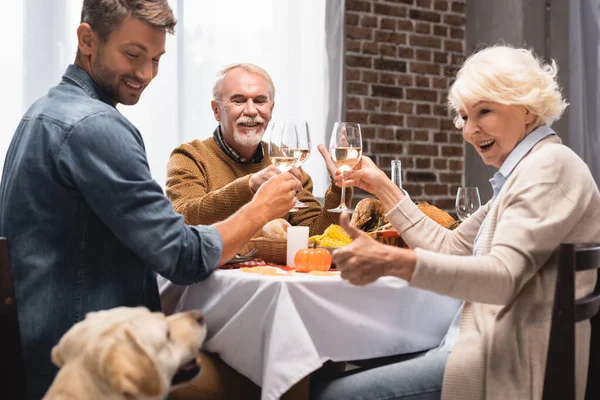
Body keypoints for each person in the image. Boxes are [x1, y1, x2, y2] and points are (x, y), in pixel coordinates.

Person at [0, 1, 300, 398]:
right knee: (287, 374)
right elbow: (184, 256)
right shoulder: (99, 126)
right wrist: (261, 207)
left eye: (156, 59)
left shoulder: (43, 113)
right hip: (89, 367)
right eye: (133, 54)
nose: (146, 74)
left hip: (39, 351)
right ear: (88, 40)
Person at [312, 45, 600, 400]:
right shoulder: (529, 170)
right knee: (318, 371)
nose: (470, 130)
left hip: (504, 368)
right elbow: (451, 246)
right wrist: (381, 186)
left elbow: (503, 279)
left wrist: (394, 261)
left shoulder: (548, 170)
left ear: (528, 109)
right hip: (480, 347)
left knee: (323, 392)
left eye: (485, 111)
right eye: (465, 116)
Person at [165, 63, 349, 236]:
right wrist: (250, 185)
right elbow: (183, 218)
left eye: (260, 101)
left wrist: (340, 188)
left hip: (267, 271)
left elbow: (313, 234)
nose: (252, 110)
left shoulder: (287, 163)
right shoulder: (189, 157)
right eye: (239, 101)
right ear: (216, 110)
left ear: (271, 109)